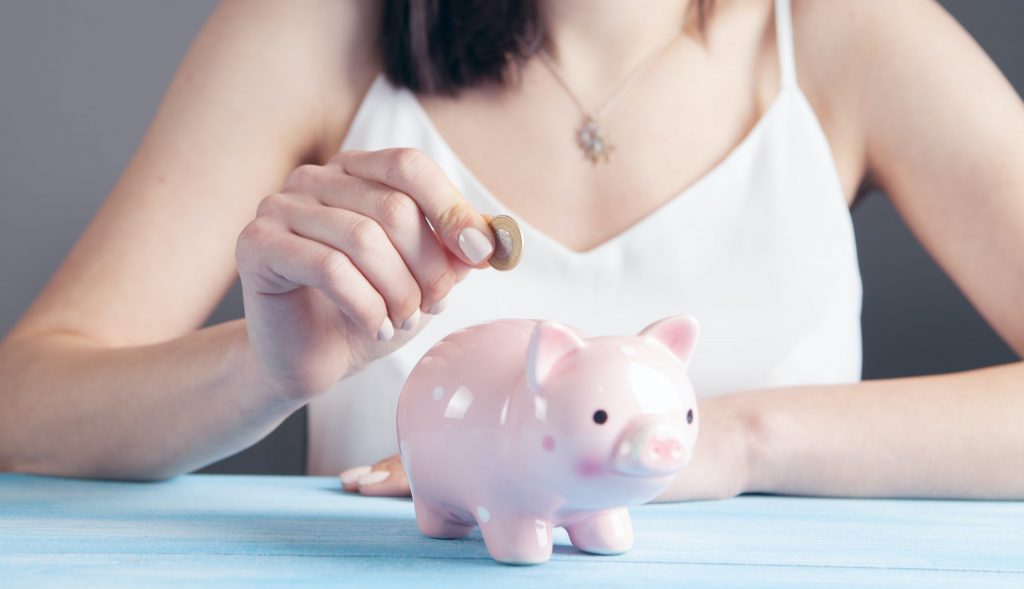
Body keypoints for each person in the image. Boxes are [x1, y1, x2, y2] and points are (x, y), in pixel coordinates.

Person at [0, 0, 1021, 502]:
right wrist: (259, 369)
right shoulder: (312, 26)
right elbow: (22, 407)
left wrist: (736, 442)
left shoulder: (849, 30)